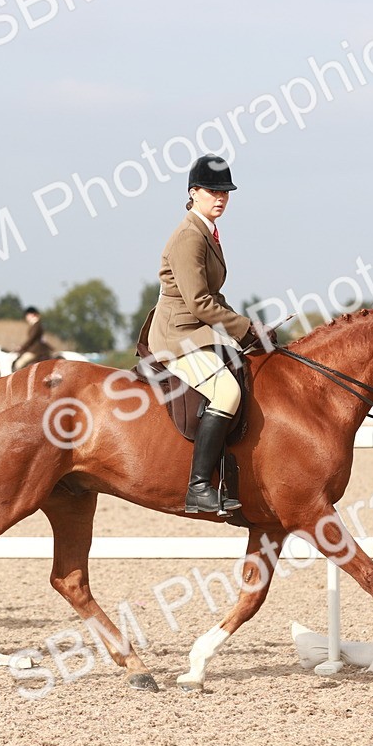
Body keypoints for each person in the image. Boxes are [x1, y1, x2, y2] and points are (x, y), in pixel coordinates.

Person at [139, 154, 272, 514]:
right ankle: (198, 486)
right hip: (177, 335)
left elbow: (214, 296)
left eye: (225, 191)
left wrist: (249, 329)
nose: (220, 197)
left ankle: (229, 478)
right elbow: (199, 302)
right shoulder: (188, 236)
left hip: (198, 330)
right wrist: (244, 330)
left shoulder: (207, 232)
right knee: (227, 392)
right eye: (213, 190)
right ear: (193, 192)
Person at [13, 307, 53, 371]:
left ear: (32, 314)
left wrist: (22, 347)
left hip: (35, 351)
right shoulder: (35, 324)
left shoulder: (36, 325)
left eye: (27, 315)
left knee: (18, 364)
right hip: (34, 349)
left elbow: (31, 339)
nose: (26, 318)